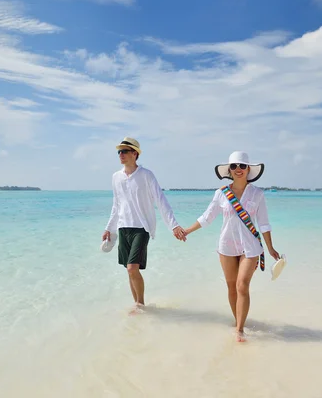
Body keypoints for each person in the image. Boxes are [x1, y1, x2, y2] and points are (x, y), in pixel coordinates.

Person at [181, 151, 280, 342]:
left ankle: (240, 330)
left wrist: (270, 248)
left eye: (242, 166)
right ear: (230, 170)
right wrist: (186, 231)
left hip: (250, 247)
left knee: (242, 285)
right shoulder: (221, 193)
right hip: (226, 246)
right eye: (234, 166)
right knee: (231, 287)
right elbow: (207, 218)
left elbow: (264, 224)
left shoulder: (257, 194)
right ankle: (238, 320)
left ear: (248, 169)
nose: (238, 170)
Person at [103, 137, 186, 314]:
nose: (121, 154)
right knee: (129, 270)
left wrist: (174, 225)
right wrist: (109, 228)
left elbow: (161, 200)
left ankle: (141, 304)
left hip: (142, 228)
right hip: (123, 227)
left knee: (133, 267)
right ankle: (137, 305)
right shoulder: (116, 177)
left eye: (124, 151)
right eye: (119, 152)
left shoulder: (146, 175)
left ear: (135, 153)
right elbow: (116, 205)